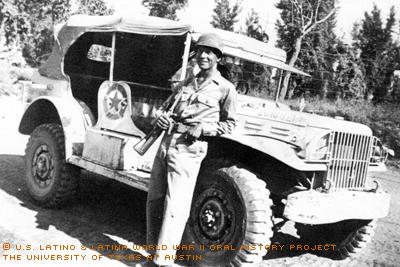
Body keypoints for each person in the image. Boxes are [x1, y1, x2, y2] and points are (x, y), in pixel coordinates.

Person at [145, 32, 237, 266]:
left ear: (218, 58)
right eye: (200, 51)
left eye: (209, 52)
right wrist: (162, 118)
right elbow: (165, 107)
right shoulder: (187, 81)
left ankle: (162, 261)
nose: (203, 56)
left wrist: (204, 128)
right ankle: (151, 253)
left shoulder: (225, 89)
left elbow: (230, 124)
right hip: (167, 142)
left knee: (175, 204)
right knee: (154, 199)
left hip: (190, 148)